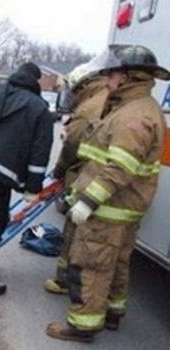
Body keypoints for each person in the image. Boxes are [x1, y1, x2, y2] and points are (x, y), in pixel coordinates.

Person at [46, 44, 169, 342]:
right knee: (117, 263)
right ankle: (113, 313)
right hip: (124, 208)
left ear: (127, 77)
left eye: (112, 74)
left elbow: (119, 168)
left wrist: (87, 201)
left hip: (109, 207)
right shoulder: (136, 107)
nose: (107, 79)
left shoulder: (132, 117)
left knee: (92, 265)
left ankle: (82, 325)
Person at [0, 62, 54, 295]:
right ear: (36, 81)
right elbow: (39, 152)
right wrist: (33, 189)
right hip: (1, 177)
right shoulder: (39, 108)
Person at [43, 64, 109, 295]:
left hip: (84, 178)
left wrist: (59, 172)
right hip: (103, 182)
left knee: (73, 234)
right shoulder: (109, 99)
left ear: (81, 86)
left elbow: (72, 147)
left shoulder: (89, 106)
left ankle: (64, 281)